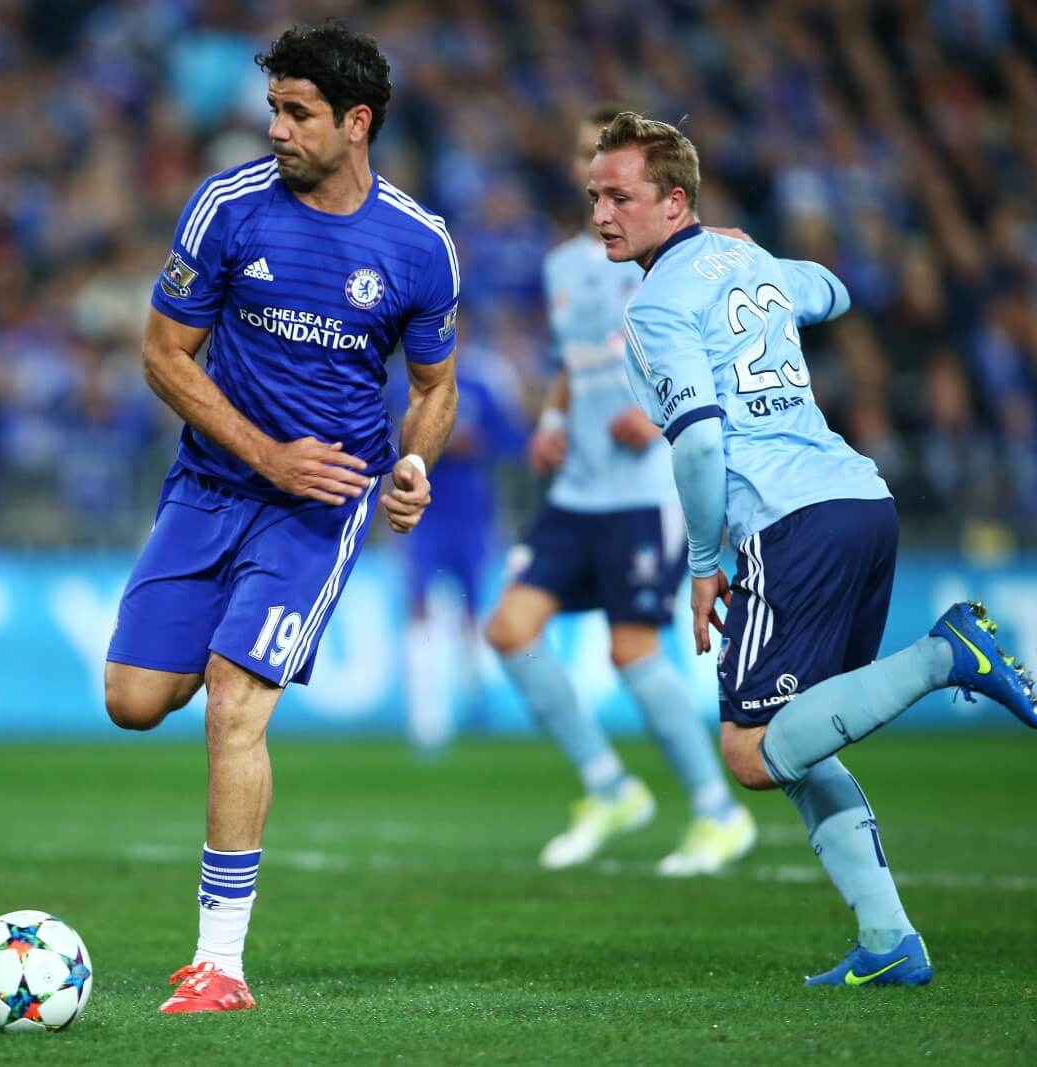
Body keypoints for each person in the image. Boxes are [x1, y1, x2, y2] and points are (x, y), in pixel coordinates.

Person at [590, 111, 1036, 986]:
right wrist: (745, 252)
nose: (602, 212)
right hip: (861, 503)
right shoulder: (745, 261)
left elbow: (701, 445)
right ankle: (889, 939)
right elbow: (833, 289)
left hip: (786, 523)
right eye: (594, 195)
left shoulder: (655, 307)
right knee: (798, 739)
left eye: (621, 196)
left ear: (674, 202)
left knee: (749, 752)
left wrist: (706, 563)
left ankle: (949, 652)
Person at [103, 22, 459, 1014]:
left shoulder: (419, 244)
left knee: (234, 695)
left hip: (325, 501)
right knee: (133, 699)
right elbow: (163, 354)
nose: (274, 129)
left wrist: (415, 459)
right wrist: (262, 453)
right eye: (272, 108)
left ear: (356, 123)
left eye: (295, 113)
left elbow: (434, 384)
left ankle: (219, 962)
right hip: (211, 485)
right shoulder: (227, 206)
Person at [484, 107, 755, 876]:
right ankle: (609, 786)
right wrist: (553, 413)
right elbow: (579, 355)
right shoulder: (565, 264)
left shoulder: (678, 258)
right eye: (581, 154)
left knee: (631, 648)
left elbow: (719, 345)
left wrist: (660, 411)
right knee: (509, 627)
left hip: (645, 487)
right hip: (578, 488)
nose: (587, 168)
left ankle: (717, 810)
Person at [401, 357, 525, 754]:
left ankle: (477, 706)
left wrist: (477, 441)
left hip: (472, 514)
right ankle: (427, 718)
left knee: (473, 612)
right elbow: (389, 439)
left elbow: (511, 438)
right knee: (420, 607)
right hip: (426, 514)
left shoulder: (480, 384)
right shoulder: (406, 385)